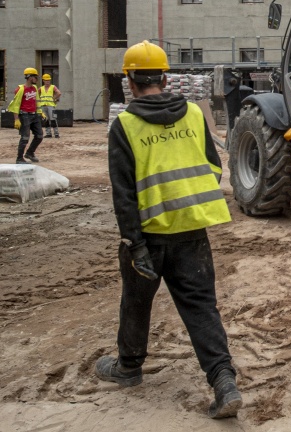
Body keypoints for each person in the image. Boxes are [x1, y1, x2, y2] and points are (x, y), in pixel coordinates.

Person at [95, 40, 242, 420]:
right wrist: (188, 202)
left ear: (129, 81)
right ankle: (224, 382)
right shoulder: (193, 113)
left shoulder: (125, 124)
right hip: (191, 232)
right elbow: (213, 166)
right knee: (201, 307)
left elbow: (123, 192)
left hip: (147, 236)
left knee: (137, 302)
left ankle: (128, 368)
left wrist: (133, 242)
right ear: (164, 76)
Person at [7, 68, 43, 164]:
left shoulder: (35, 88)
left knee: (39, 136)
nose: (36, 79)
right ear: (29, 77)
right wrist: (16, 119)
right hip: (24, 115)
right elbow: (16, 104)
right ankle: (19, 159)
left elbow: (37, 101)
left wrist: (40, 112)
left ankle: (30, 153)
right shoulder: (21, 89)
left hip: (34, 115)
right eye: (35, 77)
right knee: (25, 138)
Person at [38, 73, 62, 139]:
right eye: (46, 80)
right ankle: (48, 133)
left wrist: (54, 98)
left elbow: (59, 93)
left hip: (51, 106)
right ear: (43, 80)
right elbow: (36, 94)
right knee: (46, 120)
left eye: (48, 80)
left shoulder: (53, 87)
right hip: (43, 105)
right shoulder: (41, 88)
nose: (47, 82)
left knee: (53, 119)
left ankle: (56, 133)